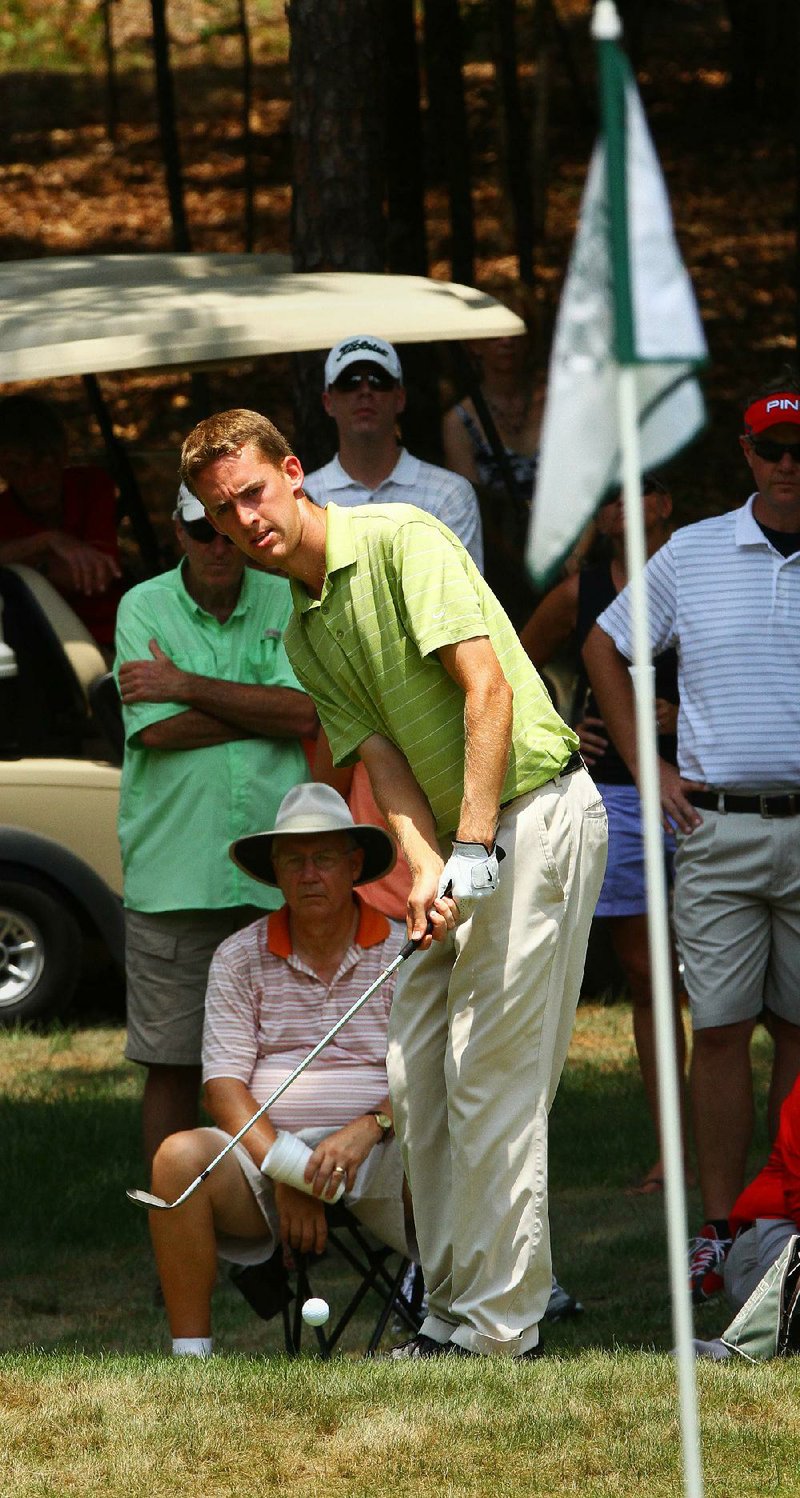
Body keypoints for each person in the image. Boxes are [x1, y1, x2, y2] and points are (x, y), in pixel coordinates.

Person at [181, 408, 608, 1360]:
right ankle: (449, 1311)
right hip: (463, 842)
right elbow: (384, 757)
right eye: (222, 510)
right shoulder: (302, 634)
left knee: (492, 1076)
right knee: (419, 1071)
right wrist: (422, 869)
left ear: (293, 473)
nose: (245, 520)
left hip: (533, 813)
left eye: (253, 492)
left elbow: (487, 689)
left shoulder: (401, 539)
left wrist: (475, 844)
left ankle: (498, 1330)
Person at [583, 372, 800, 1303]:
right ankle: (719, 1227)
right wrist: (647, 769)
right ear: (747, 455)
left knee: (798, 1028)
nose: (791, 467)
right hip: (715, 822)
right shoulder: (698, 550)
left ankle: (781, 1220)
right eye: (774, 450)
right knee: (717, 1028)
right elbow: (604, 644)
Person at [149, 783, 415, 1358]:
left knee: (453, 1142)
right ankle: (190, 1363)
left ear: (354, 866)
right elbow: (222, 1088)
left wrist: (371, 1126)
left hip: (383, 1153)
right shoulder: (238, 955)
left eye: (323, 858)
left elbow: (429, 1076)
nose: (309, 873)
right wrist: (290, 1170)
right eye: (294, 859)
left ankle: (452, 1328)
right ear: (276, 871)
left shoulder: (402, 952)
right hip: (264, 1158)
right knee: (176, 1161)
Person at [115, 483, 317, 1171]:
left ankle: (279, 1231)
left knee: (282, 1063)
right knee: (170, 1065)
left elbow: (301, 716)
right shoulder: (141, 605)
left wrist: (188, 684)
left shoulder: (282, 596)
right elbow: (158, 731)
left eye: (227, 528)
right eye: (201, 530)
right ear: (178, 532)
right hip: (175, 875)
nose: (216, 544)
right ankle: (176, 1231)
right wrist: (257, 706)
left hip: (274, 873)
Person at [520, 477, 691, 1195]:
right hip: (617, 796)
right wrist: (562, 733)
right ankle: (672, 1153)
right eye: (609, 497)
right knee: (652, 980)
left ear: (665, 503)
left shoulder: (698, 567)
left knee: (736, 986)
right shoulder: (579, 591)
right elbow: (509, 663)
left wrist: (677, 715)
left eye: (640, 490)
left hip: (708, 790)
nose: (623, 506)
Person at [303, 333, 483, 570]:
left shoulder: (450, 493)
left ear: (400, 398)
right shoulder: (303, 498)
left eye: (379, 380)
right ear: (328, 402)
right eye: (349, 381)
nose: (365, 391)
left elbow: (464, 598)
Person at [0, 393, 123, 652]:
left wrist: (21, 566)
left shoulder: (91, 485)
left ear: (63, 455)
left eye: (43, 460)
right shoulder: (3, 510)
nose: (33, 478)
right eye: (17, 467)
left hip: (111, 636)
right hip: (35, 644)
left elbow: (95, 577)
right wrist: (48, 541)